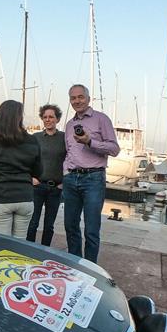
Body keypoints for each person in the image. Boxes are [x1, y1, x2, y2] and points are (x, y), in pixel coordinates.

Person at [63, 84, 120, 262]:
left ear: (88, 98)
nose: (77, 101)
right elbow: (68, 151)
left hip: (93, 179)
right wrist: (65, 171)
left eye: (80, 97)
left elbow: (114, 149)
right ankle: (75, 264)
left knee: (91, 229)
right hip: (71, 179)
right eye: (73, 98)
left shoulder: (101, 119)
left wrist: (90, 141)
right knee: (70, 226)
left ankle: (90, 268)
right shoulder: (69, 124)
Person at [0, 100, 41, 239]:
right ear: (19, 117)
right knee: (20, 243)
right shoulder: (32, 140)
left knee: (2, 245)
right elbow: (39, 172)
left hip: (2, 196)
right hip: (25, 197)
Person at [27, 104, 66, 246]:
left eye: (51, 117)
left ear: (58, 119)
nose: (48, 120)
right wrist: (31, 177)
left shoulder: (64, 138)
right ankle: (28, 250)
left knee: (49, 226)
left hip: (56, 189)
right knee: (33, 223)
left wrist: (64, 183)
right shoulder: (35, 137)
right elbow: (27, 159)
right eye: (45, 117)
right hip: (37, 187)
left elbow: (70, 161)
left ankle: (45, 252)